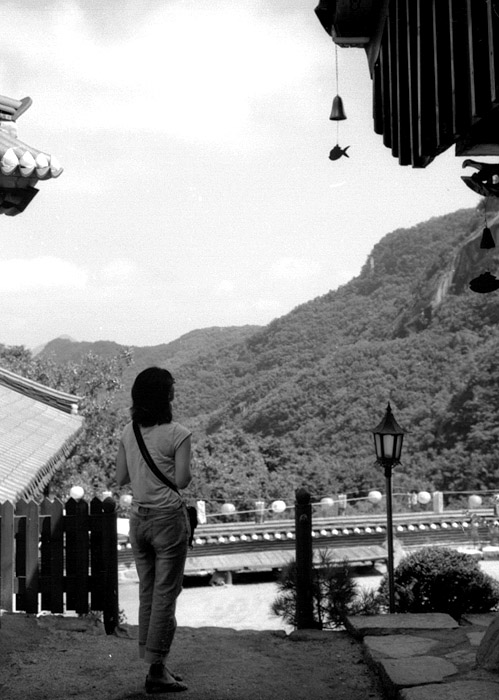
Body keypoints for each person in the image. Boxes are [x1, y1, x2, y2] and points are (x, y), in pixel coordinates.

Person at [116, 366, 192, 694]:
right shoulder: (179, 434)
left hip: (138, 519)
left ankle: (154, 661)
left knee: (148, 591)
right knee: (166, 594)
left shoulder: (128, 431)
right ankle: (157, 670)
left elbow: (121, 477)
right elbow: (183, 480)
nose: (175, 393)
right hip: (168, 520)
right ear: (166, 396)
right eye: (172, 389)